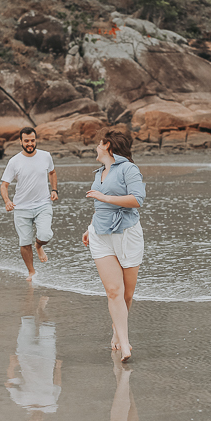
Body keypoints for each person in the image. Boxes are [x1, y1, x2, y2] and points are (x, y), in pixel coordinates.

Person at [82, 130, 145, 360]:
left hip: (126, 234)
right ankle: (125, 344)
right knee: (113, 291)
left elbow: (138, 199)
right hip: (100, 235)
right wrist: (90, 228)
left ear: (108, 146)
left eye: (99, 144)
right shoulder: (99, 172)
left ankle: (117, 332)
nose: (96, 148)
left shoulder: (129, 168)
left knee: (127, 294)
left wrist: (105, 197)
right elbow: (100, 207)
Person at [1, 126, 58, 281]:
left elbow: (52, 173)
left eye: (32, 140)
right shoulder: (14, 161)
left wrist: (54, 190)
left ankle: (39, 246)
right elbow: (4, 184)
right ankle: (31, 272)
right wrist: (7, 201)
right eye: (26, 141)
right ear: (21, 141)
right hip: (21, 208)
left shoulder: (46, 156)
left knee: (45, 234)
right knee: (24, 242)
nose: (30, 143)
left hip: (43, 204)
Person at [6, 296, 61, 421]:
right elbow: (57, 385)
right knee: (47, 324)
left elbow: (10, 383)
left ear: (28, 419)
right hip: (47, 357)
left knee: (27, 320)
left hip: (26, 355)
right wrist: (58, 368)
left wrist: (12, 365)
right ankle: (41, 309)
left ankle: (30, 296)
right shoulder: (51, 405)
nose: (37, 420)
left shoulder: (21, 401)